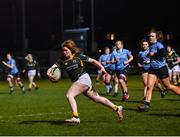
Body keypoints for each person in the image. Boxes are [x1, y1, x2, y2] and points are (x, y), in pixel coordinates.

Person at [47, 40, 123, 123]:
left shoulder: (79, 56)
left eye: (66, 50)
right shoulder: (62, 60)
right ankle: (117, 108)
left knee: (70, 95)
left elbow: (93, 61)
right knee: (97, 98)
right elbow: (52, 68)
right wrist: (48, 73)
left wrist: (101, 67)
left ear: (71, 49)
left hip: (83, 78)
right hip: (79, 82)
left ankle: (75, 117)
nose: (64, 52)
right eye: (63, 50)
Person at [138, 29, 180, 112]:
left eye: (152, 36)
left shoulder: (158, 44)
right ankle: (146, 106)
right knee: (149, 86)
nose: (150, 37)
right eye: (149, 36)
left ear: (156, 37)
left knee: (168, 86)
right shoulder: (150, 45)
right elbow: (152, 56)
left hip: (161, 68)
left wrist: (154, 54)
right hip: (152, 68)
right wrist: (149, 58)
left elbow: (164, 53)